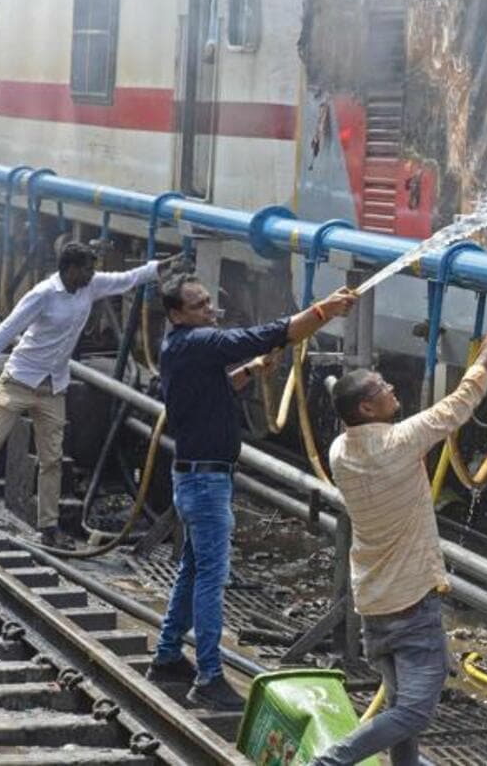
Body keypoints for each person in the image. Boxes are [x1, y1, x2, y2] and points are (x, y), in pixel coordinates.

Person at [309, 303, 487, 766]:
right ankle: (331, 761)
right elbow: (464, 398)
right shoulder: (399, 443)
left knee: (397, 703)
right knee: (413, 711)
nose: (389, 389)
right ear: (367, 407)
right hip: (410, 606)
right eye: (381, 389)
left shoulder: (340, 449)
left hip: (373, 602)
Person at [145, 273, 357, 709]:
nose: (210, 310)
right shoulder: (198, 341)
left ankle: (167, 654)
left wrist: (248, 373)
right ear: (177, 314)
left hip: (196, 476)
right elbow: (266, 333)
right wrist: (323, 311)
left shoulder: (183, 348)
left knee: (191, 569)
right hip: (205, 482)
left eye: (209, 302)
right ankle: (209, 676)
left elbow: (207, 394)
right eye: (200, 305)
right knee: (210, 578)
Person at [0, 242, 181, 542]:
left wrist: (157, 268)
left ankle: (47, 527)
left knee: (52, 458)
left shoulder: (90, 286)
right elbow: (8, 328)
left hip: (53, 387)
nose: (93, 274)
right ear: (71, 269)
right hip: (19, 380)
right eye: (87, 269)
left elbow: (125, 279)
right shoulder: (43, 294)